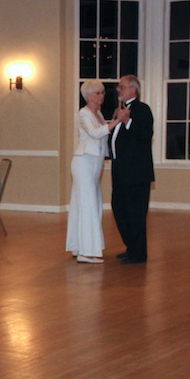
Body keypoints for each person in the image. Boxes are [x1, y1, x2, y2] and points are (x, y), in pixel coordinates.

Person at [66, 79, 120, 264]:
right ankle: (86, 252)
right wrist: (117, 121)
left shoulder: (97, 114)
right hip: (84, 163)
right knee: (88, 204)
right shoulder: (84, 113)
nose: (102, 96)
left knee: (88, 203)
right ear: (88, 95)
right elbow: (95, 133)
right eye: (98, 93)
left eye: (103, 92)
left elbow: (102, 137)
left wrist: (113, 122)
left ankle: (78, 246)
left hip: (94, 164)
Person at [110, 74, 155, 264]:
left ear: (133, 89)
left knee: (136, 213)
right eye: (119, 87)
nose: (119, 90)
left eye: (122, 86)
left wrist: (127, 121)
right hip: (120, 171)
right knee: (119, 208)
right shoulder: (120, 111)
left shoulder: (142, 110)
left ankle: (138, 254)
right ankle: (131, 247)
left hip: (136, 173)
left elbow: (145, 136)